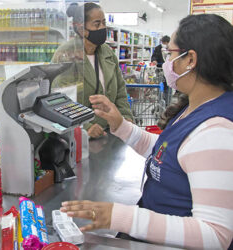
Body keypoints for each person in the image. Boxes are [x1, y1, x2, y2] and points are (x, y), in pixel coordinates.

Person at [61, 14, 233, 249]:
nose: (167, 62)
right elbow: (168, 153)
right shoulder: (196, 107)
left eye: (171, 54)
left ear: (190, 59)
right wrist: (121, 125)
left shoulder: (217, 132)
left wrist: (122, 217)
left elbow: (214, 235)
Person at [51, 3, 133, 138]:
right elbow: (61, 101)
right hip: (78, 136)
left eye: (104, 23)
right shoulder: (65, 54)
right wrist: (86, 127)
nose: (103, 28)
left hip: (111, 132)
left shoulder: (107, 52)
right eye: (97, 24)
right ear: (81, 29)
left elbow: (120, 91)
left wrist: (125, 118)